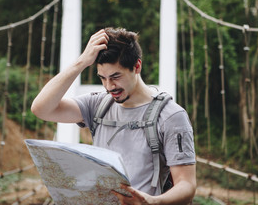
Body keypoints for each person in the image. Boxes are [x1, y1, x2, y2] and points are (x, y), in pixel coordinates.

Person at [31, 27, 196, 205]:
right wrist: (81, 62)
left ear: (137, 66)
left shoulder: (171, 116)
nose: (109, 86)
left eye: (115, 76)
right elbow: (41, 109)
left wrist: (153, 202)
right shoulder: (97, 105)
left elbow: (187, 184)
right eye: (102, 78)